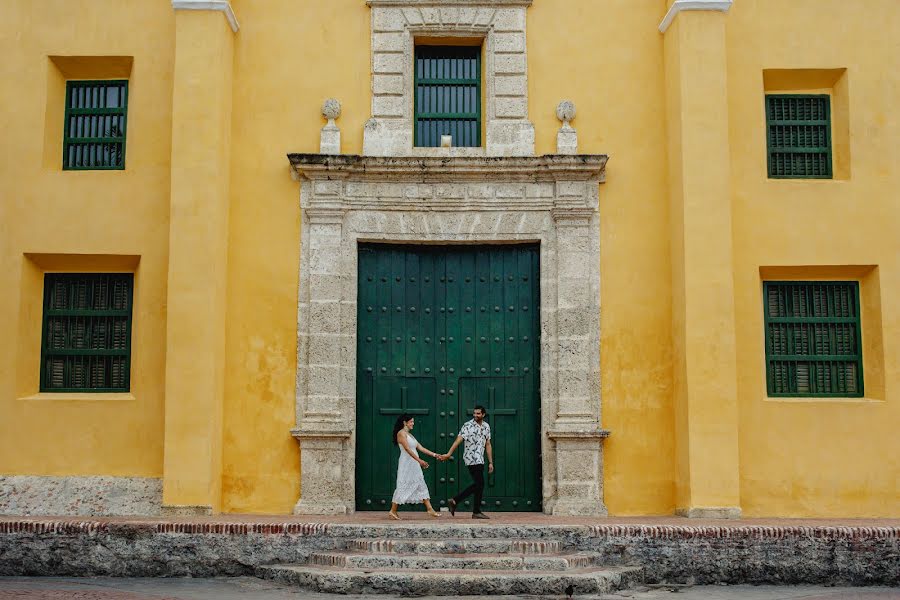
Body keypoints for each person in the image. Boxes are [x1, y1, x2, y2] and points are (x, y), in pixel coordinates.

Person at [441, 405, 493, 519]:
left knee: (479, 484)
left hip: (480, 458)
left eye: (478, 413)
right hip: (471, 458)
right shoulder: (468, 425)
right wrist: (449, 453)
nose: (475, 415)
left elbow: (488, 444)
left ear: (483, 414)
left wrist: (490, 462)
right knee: (480, 484)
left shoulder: (486, 426)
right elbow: (458, 440)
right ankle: (475, 511)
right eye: (474, 413)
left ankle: (456, 501)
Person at [389, 414, 443, 520]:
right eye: (411, 422)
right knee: (403, 485)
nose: (413, 424)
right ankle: (393, 510)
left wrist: (435, 455)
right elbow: (408, 450)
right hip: (406, 463)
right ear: (405, 422)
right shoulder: (401, 434)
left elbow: (421, 448)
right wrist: (420, 461)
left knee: (420, 483)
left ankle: (430, 509)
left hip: (414, 464)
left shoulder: (410, 435)